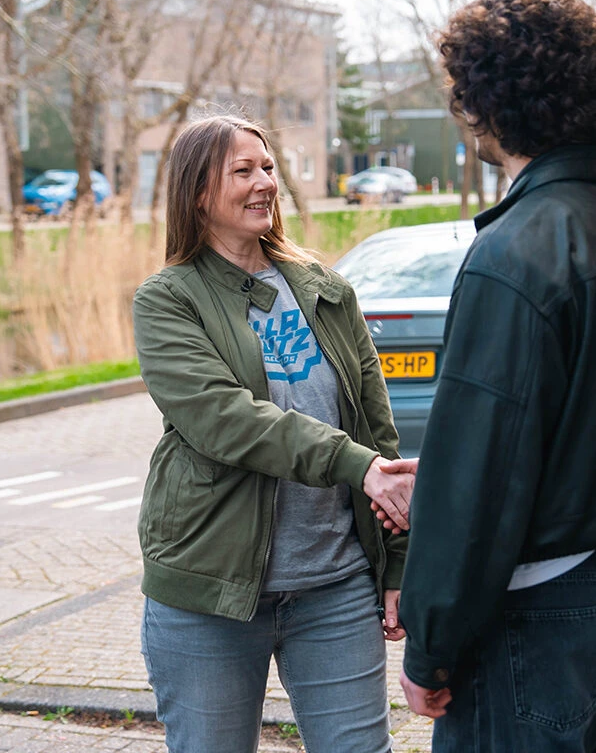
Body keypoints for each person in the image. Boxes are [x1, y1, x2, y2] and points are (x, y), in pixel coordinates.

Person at [388, 0, 596, 752]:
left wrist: (430, 643)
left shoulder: (512, 254)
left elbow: (481, 479)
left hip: (531, 609)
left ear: (489, 99)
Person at [131, 114, 414, 753]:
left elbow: (377, 431)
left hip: (335, 586)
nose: (264, 182)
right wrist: (352, 462)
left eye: (267, 167)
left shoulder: (325, 289)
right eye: (243, 171)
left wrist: (397, 562)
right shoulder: (168, 299)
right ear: (198, 192)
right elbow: (222, 420)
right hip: (211, 591)